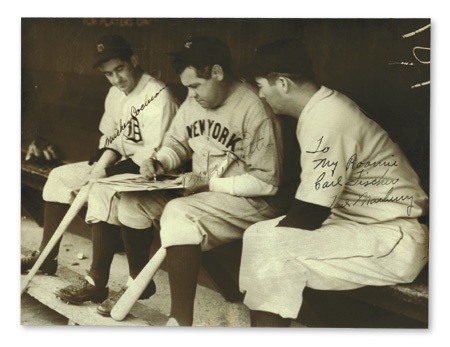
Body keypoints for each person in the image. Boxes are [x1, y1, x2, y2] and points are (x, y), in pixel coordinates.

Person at [74, 36, 286, 325]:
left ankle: (179, 322)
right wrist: (160, 161)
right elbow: (177, 143)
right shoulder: (194, 99)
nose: (191, 93)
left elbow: (267, 183)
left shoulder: (254, 110)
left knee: (178, 213)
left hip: (247, 201)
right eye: (187, 87)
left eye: (195, 86)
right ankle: (138, 284)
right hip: (201, 194)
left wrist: (210, 185)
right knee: (132, 203)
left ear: (217, 73)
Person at [238, 38, 429, 327]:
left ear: (282, 82)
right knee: (257, 236)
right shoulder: (320, 108)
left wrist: (269, 255)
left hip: (392, 236)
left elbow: (310, 213)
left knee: (274, 249)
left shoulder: (328, 118)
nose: (261, 95)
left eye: (261, 85)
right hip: (358, 228)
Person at [22, 34, 178, 310]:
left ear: (134, 61)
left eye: (120, 69)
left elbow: (151, 156)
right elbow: (111, 140)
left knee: (101, 192)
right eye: (108, 74)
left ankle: (96, 282)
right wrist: (102, 164)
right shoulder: (116, 93)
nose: (116, 79)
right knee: (59, 178)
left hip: (152, 173)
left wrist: (107, 173)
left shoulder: (157, 95)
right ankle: (47, 257)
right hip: (120, 165)